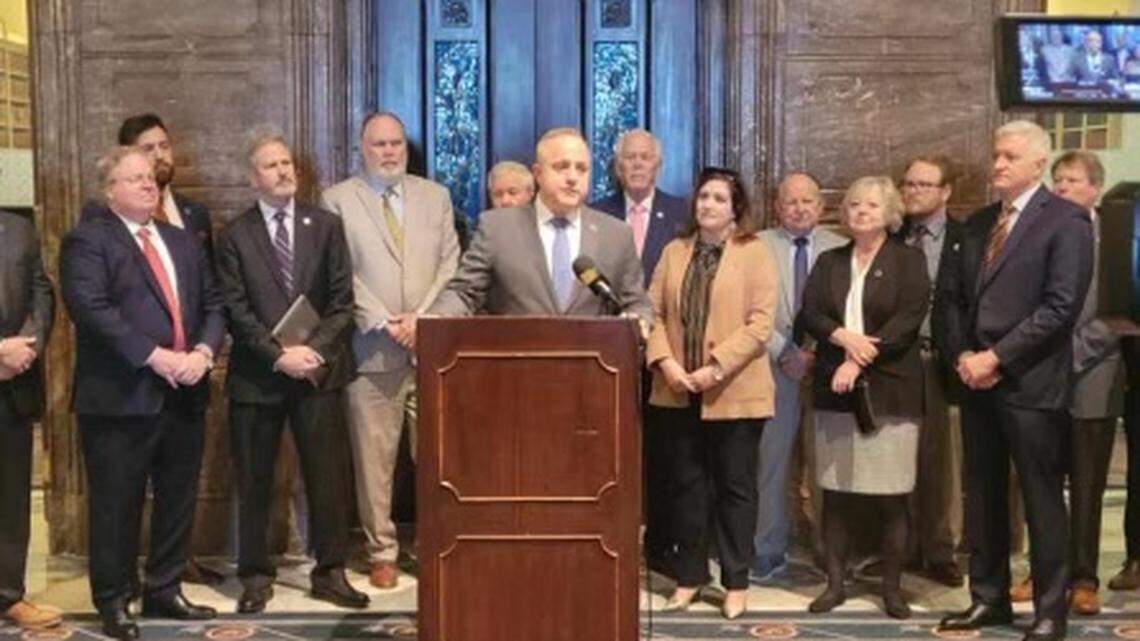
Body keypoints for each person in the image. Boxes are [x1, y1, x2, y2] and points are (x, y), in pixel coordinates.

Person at [935, 120, 1093, 641]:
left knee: (1041, 499)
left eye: (1009, 156)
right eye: (995, 155)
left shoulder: (1066, 221)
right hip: (976, 381)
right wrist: (963, 355)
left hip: (1030, 384)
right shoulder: (979, 222)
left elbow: (1060, 307)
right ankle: (989, 599)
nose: (997, 164)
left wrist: (996, 358)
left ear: (1037, 165)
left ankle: (1051, 611)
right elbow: (954, 300)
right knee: (983, 496)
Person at [60, 146, 226, 640]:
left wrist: (202, 353)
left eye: (150, 178)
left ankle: (164, 588)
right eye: (134, 178)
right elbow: (92, 310)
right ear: (109, 190)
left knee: (177, 497)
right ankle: (113, 600)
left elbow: (214, 303)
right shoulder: (88, 241)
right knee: (116, 504)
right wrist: (157, 357)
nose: (148, 184)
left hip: (185, 391)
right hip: (120, 397)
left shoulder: (182, 240)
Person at [215, 128, 368, 613]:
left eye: (288, 164)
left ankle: (330, 572)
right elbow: (235, 309)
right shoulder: (234, 235)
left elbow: (343, 301)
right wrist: (279, 354)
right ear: (252, 177)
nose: (284, 172)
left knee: (327, 478)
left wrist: (313, 353)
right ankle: (256, 575)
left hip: (318, 374)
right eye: (272, 165)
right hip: (258, 376)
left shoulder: (325, 225)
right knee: (256, 479)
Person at [319, 111, 460, 590]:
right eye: (378, 144)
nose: (388, 152)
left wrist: (422, 320)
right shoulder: (336, 200)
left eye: (396, 143)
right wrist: (384, 320)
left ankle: (436, 540)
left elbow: (451, 264)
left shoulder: (434, 196)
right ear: (362, 148)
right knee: (374, 458)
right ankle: (381, 551)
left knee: (438, 457)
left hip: (432, 350)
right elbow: (340, 275)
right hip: (371, 348)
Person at [796, 176, 929, 619]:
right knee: (835, 493)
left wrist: (858, 359)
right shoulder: (830, 260)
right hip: (835, 393)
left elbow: (907, 321)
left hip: (889, 391)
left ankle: (892, 589)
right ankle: (835, 584)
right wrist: (841, 338)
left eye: (871, 205)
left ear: (889, 212)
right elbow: (810, 311)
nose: (860, 212)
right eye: (853, 204)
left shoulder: (909, 260)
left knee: (892, 495)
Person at [645, 166, 776, 619]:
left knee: (735, 489)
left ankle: (736, 581)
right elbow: (652, 312)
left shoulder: (754, 252)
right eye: (703, 197)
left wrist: (714, 370)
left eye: (720, 199)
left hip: (735, 390)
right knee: (687, 488)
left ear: (736, 207)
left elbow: (761, 323)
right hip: (677, 389)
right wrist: (667, 363)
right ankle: (689, 577)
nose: (709, 206)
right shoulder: (674, 250)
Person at [1006, 151, 1123, 616]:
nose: (1062, 188)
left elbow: (1116, 311)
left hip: (1094, 374)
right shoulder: (1042, 233)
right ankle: (1042, 571)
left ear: (1095, 188)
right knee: (1042, 480)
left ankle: (1084, 579)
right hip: (1041, 376)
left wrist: (1069, 354)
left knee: (1088, 483)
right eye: (1057, 180)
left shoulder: (1112, 238)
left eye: (1073, 180)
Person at [428, 127, 651, 320]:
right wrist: (435, 319)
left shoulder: (616, 234)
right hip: (520, 363)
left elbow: (637, 304)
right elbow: (464, 292)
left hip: (592, 364)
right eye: (562, 167)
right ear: (538, 174)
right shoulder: (497, 229)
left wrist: (640, 320)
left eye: (581, 169)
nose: (572, 177)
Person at [750, 172, 845, 582]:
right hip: (771, 368)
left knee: (831, 466)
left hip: (829, 369)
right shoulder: (755, 246)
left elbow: (851, 308)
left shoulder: (841, 247)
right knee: (770, 465)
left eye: (808, 201)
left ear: (821, 208)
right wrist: (785, 351)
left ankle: (832, 554)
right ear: (777, 206)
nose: (800, 208)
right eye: (791, 201)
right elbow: (745, 305)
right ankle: (767, 550)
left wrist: (816, 354)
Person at [897, 156, 964, 587]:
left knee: (942, 464)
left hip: (945, 362)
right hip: (897, 363)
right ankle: (899, 548)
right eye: (908, 184)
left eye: (924, 184)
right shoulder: (890, 235)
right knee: (896, 457)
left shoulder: (967, 237)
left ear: (945, 192)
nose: (914, 191)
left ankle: (940, 552)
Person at [0, 210, 58, 630]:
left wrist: (26, 348)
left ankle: (8, 596)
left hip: (14, 382)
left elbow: (42, 292)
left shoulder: (19, 229)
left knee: (11, 498)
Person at [82, 114, 213, 256]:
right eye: (148, 149)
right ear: (128, 156)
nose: (160, 156)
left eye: (164, 146)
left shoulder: (195, 212)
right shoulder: (99, 213)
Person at [590, 128, 687, 286]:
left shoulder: (681, 213)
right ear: (618, 167)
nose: (637, 164)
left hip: (661, 309)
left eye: (645, 157)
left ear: (658, 166)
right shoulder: (596, 214)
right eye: (630, 157)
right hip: (609, 308)